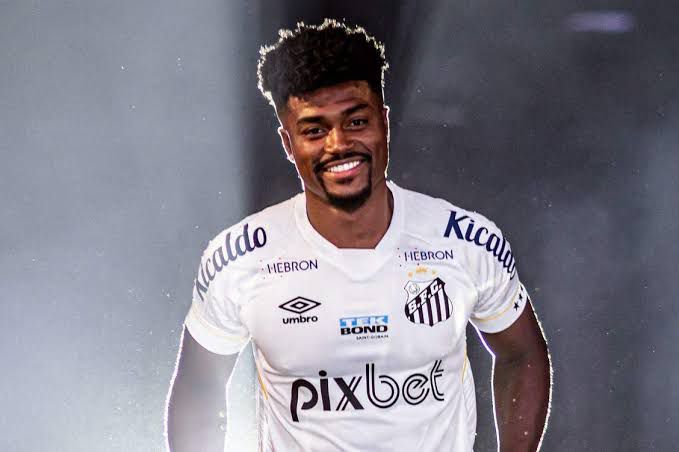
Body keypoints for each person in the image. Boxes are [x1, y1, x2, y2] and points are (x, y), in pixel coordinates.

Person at [166, 19, 551, 452]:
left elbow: (522, 353)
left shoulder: (465, 240)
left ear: (383, 122)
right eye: (314, 130)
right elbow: (200, 386)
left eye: (356, 121)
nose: (338, 144)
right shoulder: (240, 257)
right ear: (288, 143)